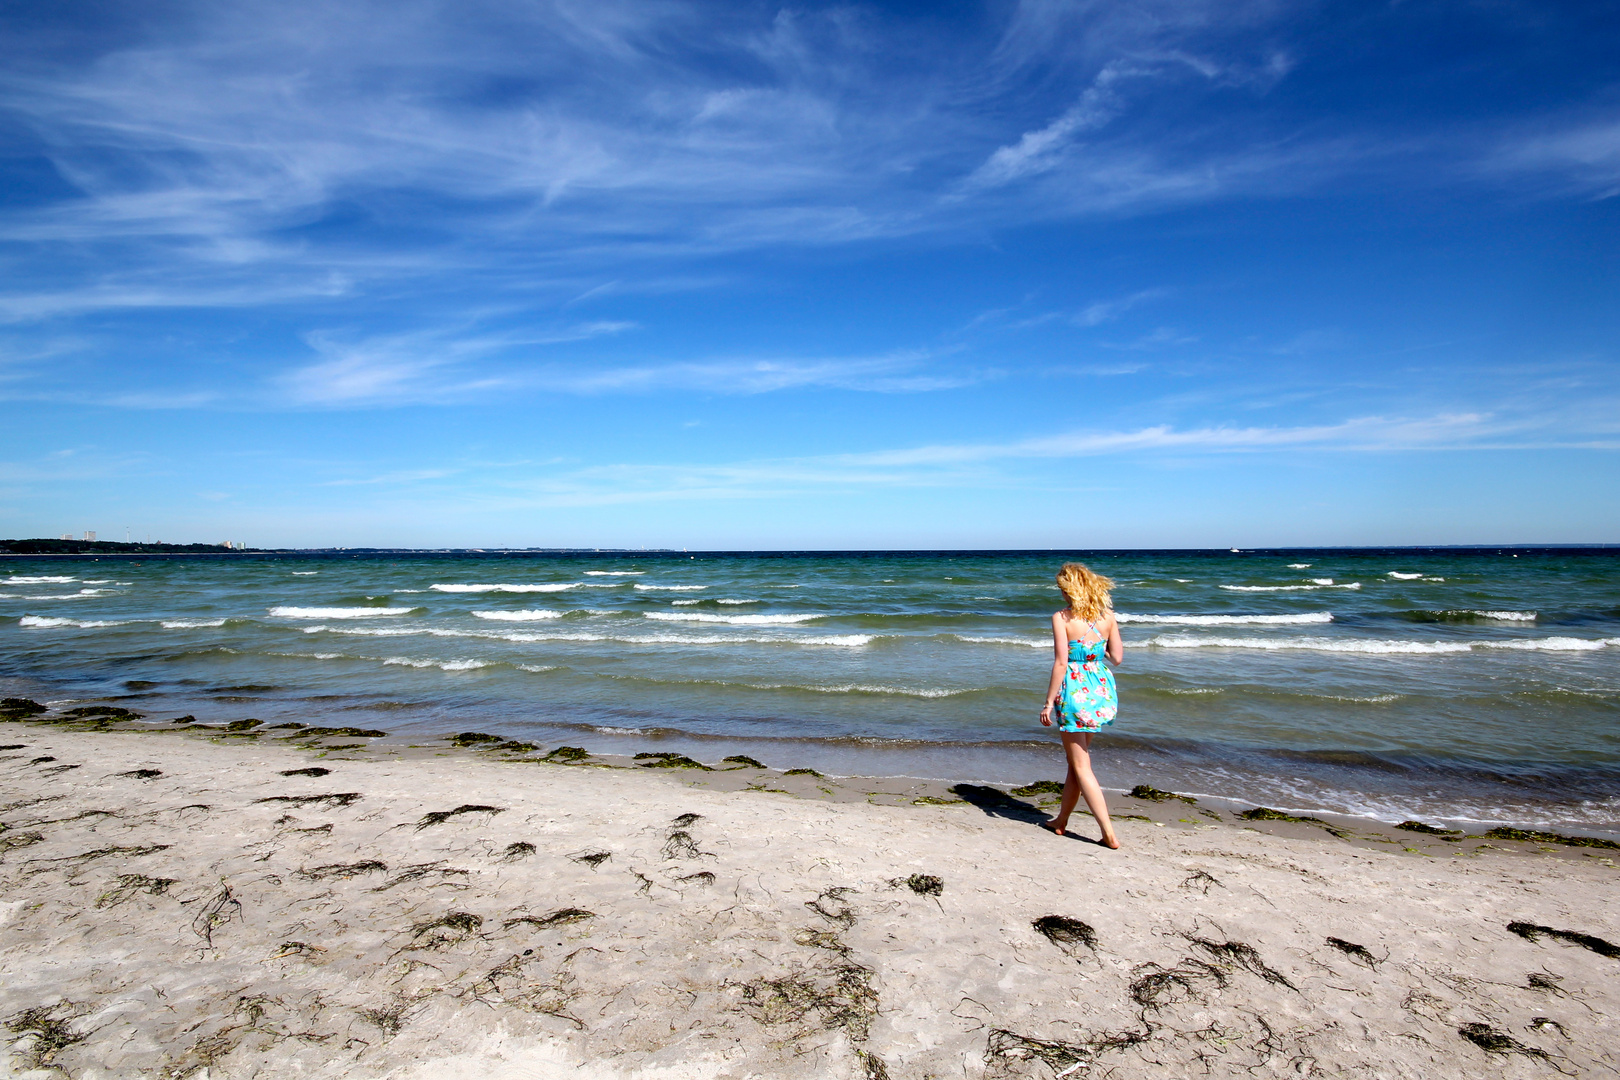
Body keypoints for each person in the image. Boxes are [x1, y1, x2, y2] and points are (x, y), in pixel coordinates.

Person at [1038, 562, 1123, 848]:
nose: (1061, 594)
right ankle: (1061, 819)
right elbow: (1117, 658)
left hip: (1074, 691)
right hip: (1099, 689)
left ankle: (1107, 832)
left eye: (1063, 589)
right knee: (1076, 761)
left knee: (1081, 764)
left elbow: (1061, 662)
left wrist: (1048, 702)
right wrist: (1095, 649)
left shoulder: (1062, 618)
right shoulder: (1108, 617)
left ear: (1070, 589)